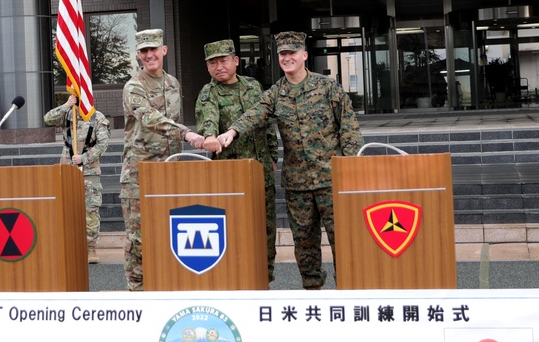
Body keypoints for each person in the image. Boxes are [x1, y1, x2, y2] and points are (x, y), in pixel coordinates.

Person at [218, 31, 363, 289]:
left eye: (292, 53)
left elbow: (349, 129)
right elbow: (255, 114)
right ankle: (312, 291)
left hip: (332, 179)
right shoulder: (275, 94)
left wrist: (352, 167)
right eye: (283, 54)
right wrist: (232, 131)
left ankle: (349, 291)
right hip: (298, 185)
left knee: (344, 240)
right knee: (305, 244)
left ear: (304, 55)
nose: (287, 58)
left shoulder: (327, 87)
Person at [121, 28, 209, 290]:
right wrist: (188, 135)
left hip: (169, 174)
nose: (150, 55)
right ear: (138, 55)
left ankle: (165, 287)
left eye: (153, 50)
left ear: (164, 50)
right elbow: (150, 118)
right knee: (139, 238)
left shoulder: (172, 83)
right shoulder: (134, 86)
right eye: (144, 51)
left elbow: (175, 118)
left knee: (168, 233)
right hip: (140, 174)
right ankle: (137, 291)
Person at [194, 39, 280, 281]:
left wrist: (273, 156)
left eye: (223, 61)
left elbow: (266, 123)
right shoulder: (208, 92)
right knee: (233, 229)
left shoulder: (253, 86)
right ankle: (235, 280)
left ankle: (265, 279)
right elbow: (207, 118)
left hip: (260, 170)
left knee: (265, 228)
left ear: (235, 61)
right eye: (213, 63)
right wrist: (209, 136)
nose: (219, 67)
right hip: (229, 176)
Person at [44, 95, 111, 264]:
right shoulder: (67, 115)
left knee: (90, 212)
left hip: (89, 173)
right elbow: (48, 119)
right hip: (67, 170)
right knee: (66, 211)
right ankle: (69, 247)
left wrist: (84, 158)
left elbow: (103, 144)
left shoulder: (98, 118)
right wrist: (66, 105)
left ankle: (90, 249)